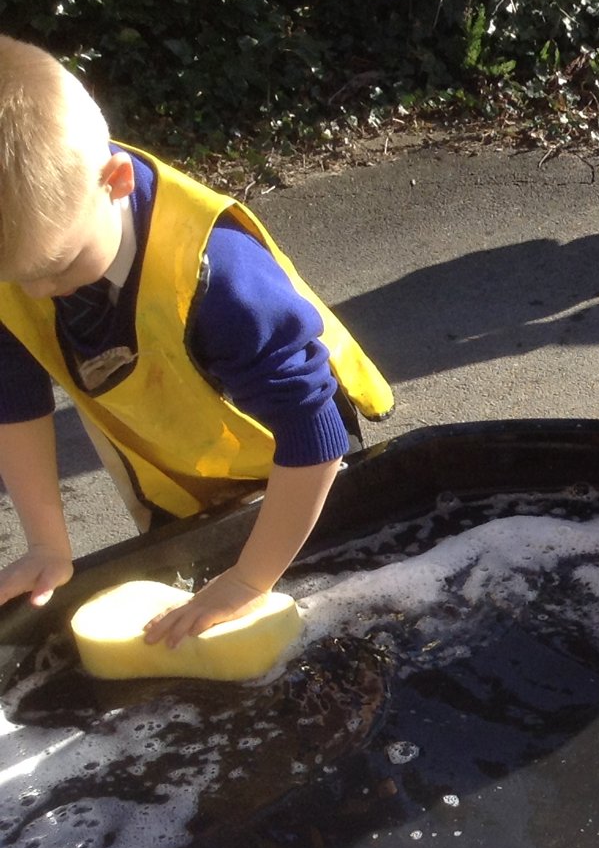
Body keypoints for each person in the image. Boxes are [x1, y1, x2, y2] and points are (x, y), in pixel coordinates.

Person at [0, 36, 392, 644]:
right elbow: (12, 397)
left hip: (291, 465)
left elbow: (312, 432)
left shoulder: (219, 276)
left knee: (311, 615)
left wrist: (247, 580)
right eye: (21, 278)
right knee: (185, 617)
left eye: (58, 266)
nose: (43, 291)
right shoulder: (24, 249)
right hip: (171, 468)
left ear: (116, 181)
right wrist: (47, 543)